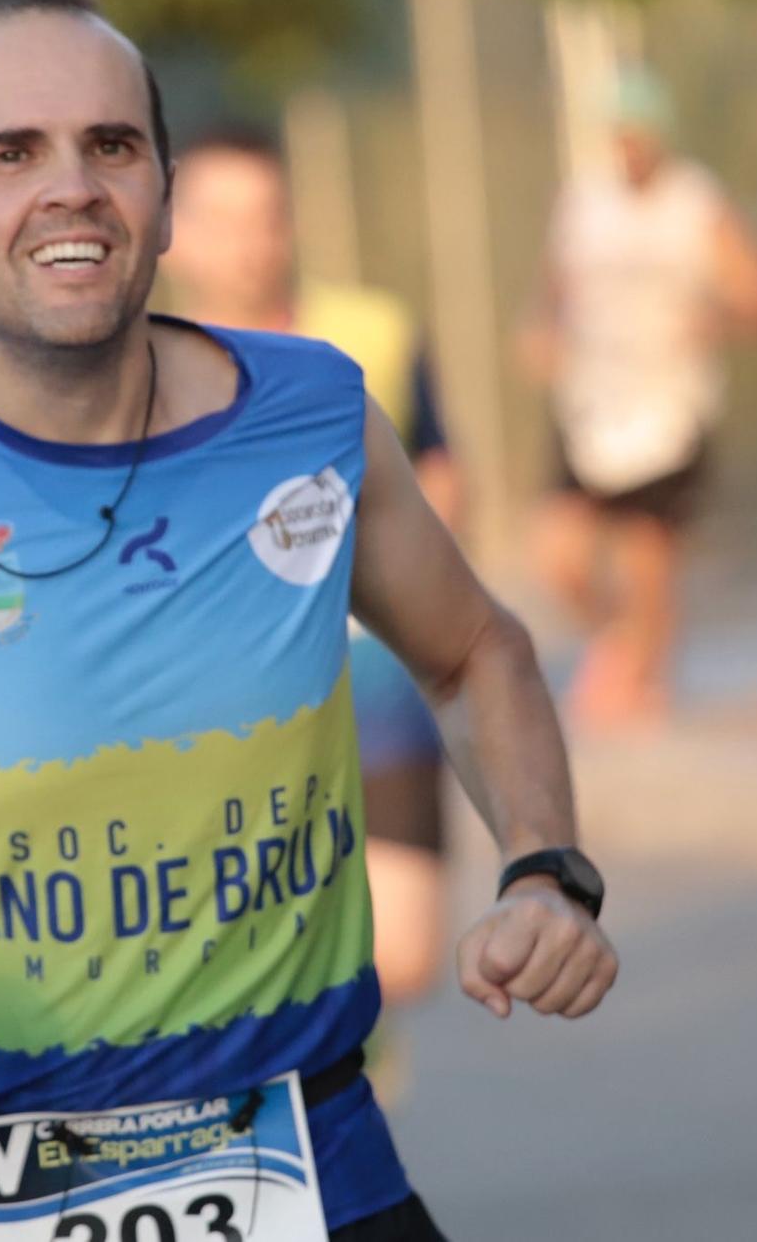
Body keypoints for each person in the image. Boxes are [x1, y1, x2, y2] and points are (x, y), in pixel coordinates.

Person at [0, 0, 617, 1242]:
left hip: (316, 1173)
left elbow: (475, 654)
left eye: (111, 145)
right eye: (10, 153)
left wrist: (545, 871)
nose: (70, 186)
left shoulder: (310, 421)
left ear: (164, 196)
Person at [162, 127, 456, 1041]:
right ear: (176, 229)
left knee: (403, 952)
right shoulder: (134, 367)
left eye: (266, 217)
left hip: (369, 672)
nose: (248, 241)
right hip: (220, 704)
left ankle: (342, 1032)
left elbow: (441, 473)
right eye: (222, 219)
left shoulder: (371, 331)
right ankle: (319, 1073)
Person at [522, 67, 757, 729]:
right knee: (559, 555)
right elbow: (555, 286)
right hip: (593, 400)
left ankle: (647, 689)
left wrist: (717, 320)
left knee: (649, 561)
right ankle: (619, 643)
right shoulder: (585, 202)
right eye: (620, 136)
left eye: (640, 135)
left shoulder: (695, 204)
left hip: (669, 405)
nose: (630, 148)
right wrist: (542, 329)